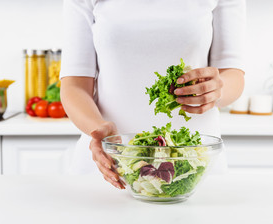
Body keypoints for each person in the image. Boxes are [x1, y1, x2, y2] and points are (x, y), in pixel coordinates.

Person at [60, 0, 246, 189]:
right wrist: (98, 129)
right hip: (110, 165)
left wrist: (218, 89)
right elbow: (74, 86)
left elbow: (234, 75)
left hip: (195, 169)